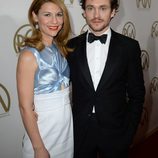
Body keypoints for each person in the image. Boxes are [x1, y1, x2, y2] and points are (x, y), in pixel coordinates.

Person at [67, 0, 145, 158]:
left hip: (116, 132)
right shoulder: (71, 46)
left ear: (113, 11)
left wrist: (129, 133)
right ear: (84, 12)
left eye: (103, 8)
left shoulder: (129, 47)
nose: (96, 15)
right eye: (91, 8)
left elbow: (137, 94)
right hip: (80, 132)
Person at [16, 0, 73, 158]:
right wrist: (38, 148)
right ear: (35, 16)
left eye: (59, 15)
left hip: (65, 129)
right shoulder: (29, 55)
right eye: (47, 15)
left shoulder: (61, 49)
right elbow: (25, 107)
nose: (54, 21)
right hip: (43, 132)